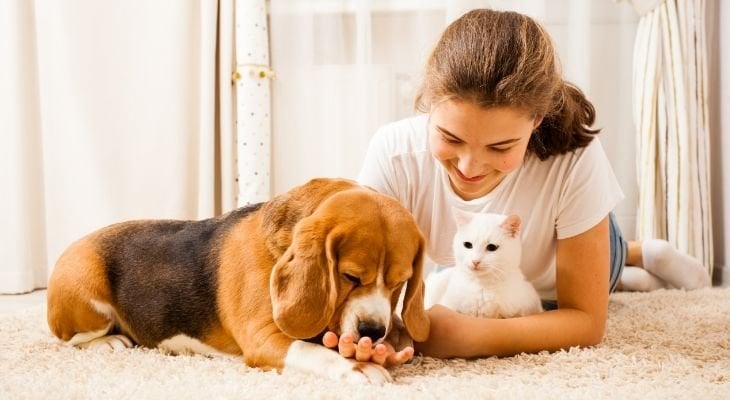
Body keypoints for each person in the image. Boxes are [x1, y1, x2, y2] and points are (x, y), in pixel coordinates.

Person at [322, 8, 711, 364]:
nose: (469, 167)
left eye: (500, 146)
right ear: (427, 103)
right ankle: (634, 274)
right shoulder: (393, 153)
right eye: (451, 139)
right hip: (479, 262)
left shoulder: (576, 158)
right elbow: (358, 276)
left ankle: (636, 254)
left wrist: (473, 336)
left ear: (537, 119)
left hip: (567, 254)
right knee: (458, 263)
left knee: (604, 266)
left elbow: (586, 322)